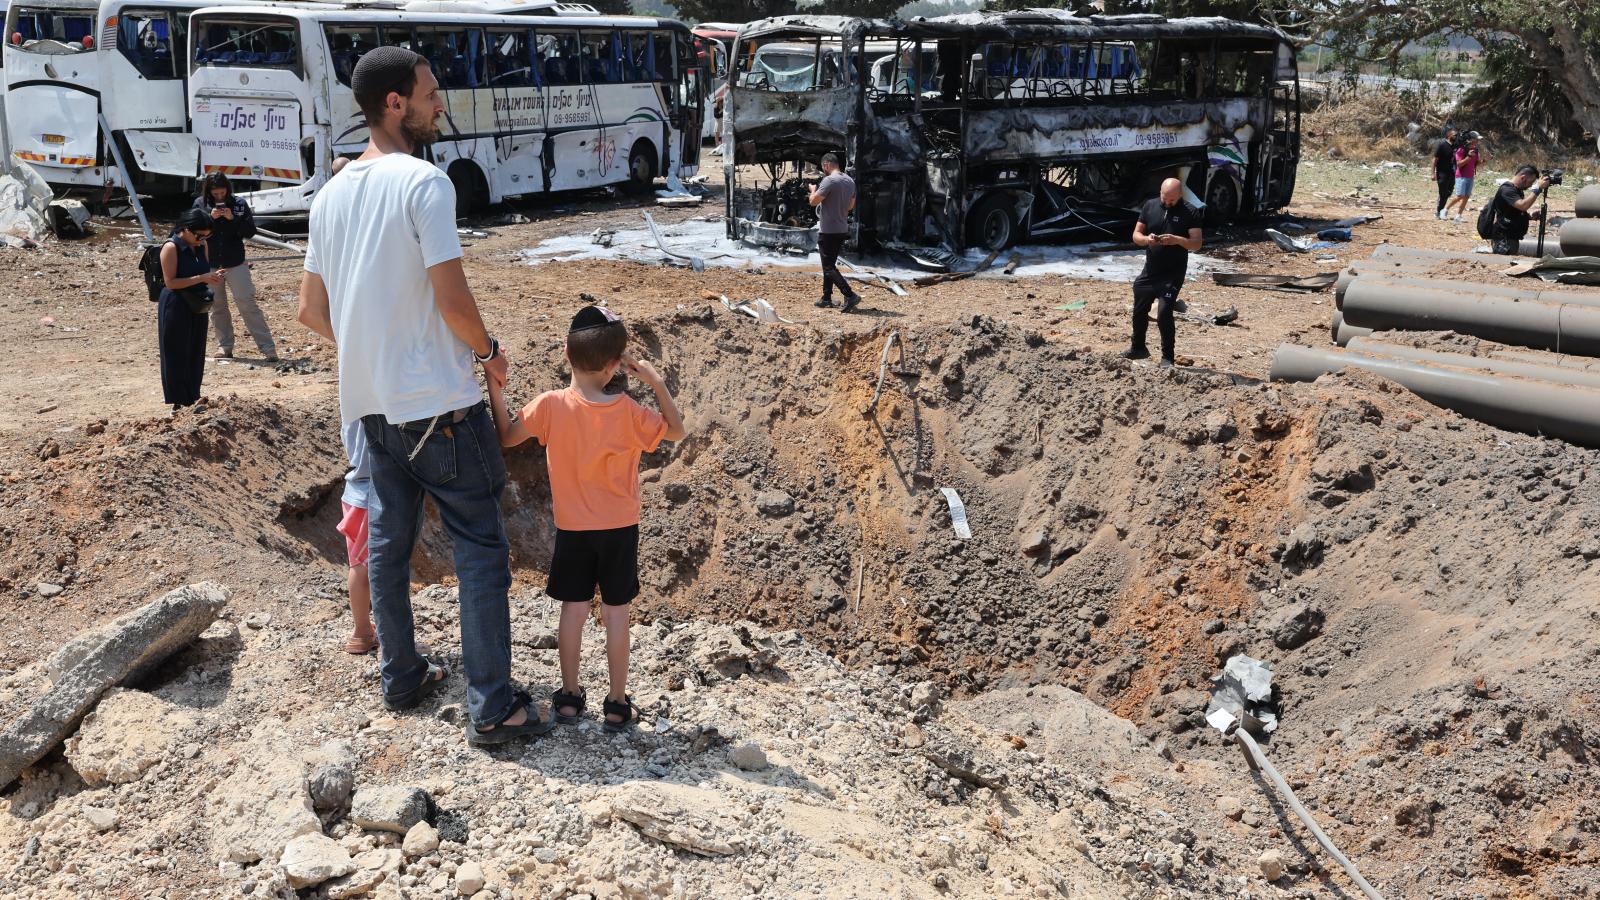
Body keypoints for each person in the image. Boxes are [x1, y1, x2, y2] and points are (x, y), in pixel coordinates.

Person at [296, 46, 553, 745]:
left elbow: (310, 312)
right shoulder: (424, 184)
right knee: (479, 546)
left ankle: (402, 677)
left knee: (388, 542)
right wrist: (490, 353)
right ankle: (494, 708)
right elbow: (453, 299)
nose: (440, 102)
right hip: (438, 404)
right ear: (394, 103)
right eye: (430, 92)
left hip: (369, 405)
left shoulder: (332, 195)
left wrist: (372, 345)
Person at [487, 305, 686, 733]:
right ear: (617, 365)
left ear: (565, 353)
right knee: (617, 615)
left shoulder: (550, 406)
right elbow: (676, 430)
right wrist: (653, 379)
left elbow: (505, 435)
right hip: (620, 528)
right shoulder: (628, 410)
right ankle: (616, 703)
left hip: (573, 529)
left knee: (573, 610)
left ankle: (570, 697)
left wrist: (494, 384)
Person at [1121, 178, 1202, 369]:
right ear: (1160, 193)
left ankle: (1167, 357)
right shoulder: (1150, 206)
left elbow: (1197, 243)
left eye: (1172, 200)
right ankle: (1138, 347)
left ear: (1180, 195)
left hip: (1172, 273)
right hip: (1150, 270)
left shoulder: (1190, 211)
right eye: (1164, 198)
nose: (1167, 203)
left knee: (1164, 312)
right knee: (1139, 309)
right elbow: (1136, 235)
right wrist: (1147, 239)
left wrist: (1177, 240)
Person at [195, 172, 277, 361]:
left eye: (222, 193)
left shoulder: (239, 204)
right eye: (215, 194)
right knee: (217, 306)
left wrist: (233, 219)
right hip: (210, 263)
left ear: (227, 189)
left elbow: (250, 231)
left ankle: (268, 348)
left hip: (235, 262)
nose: (219, 197)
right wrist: (209, 218)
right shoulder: (200, 204)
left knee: (247, 303)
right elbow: (191, 231)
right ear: (209, 191)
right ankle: (225, 347)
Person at [157, 209, 225, 410]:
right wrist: (203, 278)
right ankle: (178, 401)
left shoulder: (201, 246)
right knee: (176, 351)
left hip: (197, 302)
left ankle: (193, 395)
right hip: (176, 303)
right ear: (185, 229)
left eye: (207, 236)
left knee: (195, 349)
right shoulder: (171, 247)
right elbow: (170, 282)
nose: (202, 239)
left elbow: (202, 273)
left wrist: (213, 276)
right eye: (199, 235)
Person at [338, 421, 378, 654]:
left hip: (354, 492)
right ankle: (390, 636)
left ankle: (361, 631)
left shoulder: (351, 410)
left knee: (357, 565)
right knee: (384, 568)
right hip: (378, 494)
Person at [810, 152, 859, 312]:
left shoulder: (829, 180)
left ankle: (849, 294)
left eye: (823, 167)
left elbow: (813, 202)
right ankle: (826, 297)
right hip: (841, 229)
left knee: (828, 267)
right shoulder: (850, 181)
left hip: (828, 230)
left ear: (826, 165)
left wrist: (812, 190)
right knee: (829, 264)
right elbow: (851, 206)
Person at [1488, 164, 1550, 256]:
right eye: (1531, 182)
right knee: (1505, 266)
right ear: (1523, 178)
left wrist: (1529, 217)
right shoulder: (1507, 190)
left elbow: (1513, 211)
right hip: (1504, 239)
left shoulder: (1517, 190)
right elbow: (1522, 205)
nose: (1530, 185)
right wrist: (1538, 189)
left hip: (1511, 237)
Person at [1444, 131, 1485, 223]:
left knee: (1466, 197)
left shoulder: (1475, 150)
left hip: (1470, 176)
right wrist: (1469, 156)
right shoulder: (1461, 150)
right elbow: (1459, 164)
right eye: (1476, 139)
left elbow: (1476, 164)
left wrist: (1485, 160)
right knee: (1459, 196)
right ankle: (1445, 209)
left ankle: (1458, 216)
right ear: (1470, 140)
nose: (1478, 141)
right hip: (1461, 176)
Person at [1430, 126, 1459, 216]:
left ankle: (1441, 202)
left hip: (1452, 173)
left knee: (1448, 192)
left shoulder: (1455, 145)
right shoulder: (1442, 145)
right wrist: (1432, 173)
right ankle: (1439, 212)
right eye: (1455, 135)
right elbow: (1434, 160)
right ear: (1449, 135)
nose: (1456, 136)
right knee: (1443, 194)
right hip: (1442, 173)